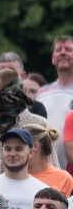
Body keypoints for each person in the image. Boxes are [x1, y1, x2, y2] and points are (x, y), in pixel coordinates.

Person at [0, 128, 47, 209]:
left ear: (31, 152)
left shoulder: (43, 191)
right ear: (2, 151)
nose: (12, 154)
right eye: (8, 149)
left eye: (18, 149)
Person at [38, 35, 73, 166]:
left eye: (68, 49)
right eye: (58, 50)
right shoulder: (41, 93)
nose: (63, 52)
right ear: (53, 58)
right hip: (47, 170)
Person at [24, 124, 73, 196]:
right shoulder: (12, 175)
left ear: (35, 147)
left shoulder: (64, 179)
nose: (12, 153)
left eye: (18, 147)